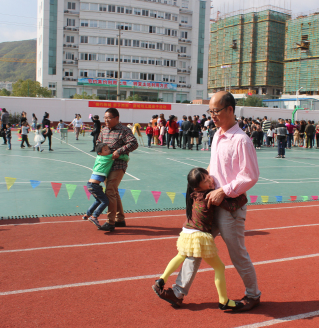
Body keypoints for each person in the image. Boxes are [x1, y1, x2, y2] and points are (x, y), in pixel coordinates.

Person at [157, 92, 261, 311]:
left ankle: (253, 295)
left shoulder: (241, 140)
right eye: (210, 111)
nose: (212, 116)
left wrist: (223, 190)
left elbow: (250, 176)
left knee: (237, 253)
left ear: (230, 110)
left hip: (230, 207)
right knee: (195, 248)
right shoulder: (217, 135)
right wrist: (203, 185)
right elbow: (214, 167)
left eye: (216, 111)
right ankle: (177, 292)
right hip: (210, 204)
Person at [152, 167, 246, 311]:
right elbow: (231, 206)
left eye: (208, 177)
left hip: (186, 232)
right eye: (206, 181)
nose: (210, 180)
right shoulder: (209, 195)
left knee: (180, 255)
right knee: (219, 267)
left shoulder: (193, 194)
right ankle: (224, 301)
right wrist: (243, 196)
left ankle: (161, 280)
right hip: (200, 236)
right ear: (197, 186)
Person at [96, 108, 138, 231]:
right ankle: (120, 219)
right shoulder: (103, 130)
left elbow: (134, 143)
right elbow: (98, 142)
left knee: (109, 191)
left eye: (109, 118)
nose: (106, 120)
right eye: (105, 118)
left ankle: (110, 222)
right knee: (113, 191)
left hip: (118, 166)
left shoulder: (124, 130)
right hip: (105, 166)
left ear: (117, 118)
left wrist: (119, 151)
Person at [82, 143, 130, 228]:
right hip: (94, 186)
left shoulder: (98, 157)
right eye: (106, 150)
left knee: (98, 201)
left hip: (90, 184)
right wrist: (123, 156)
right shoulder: (108, 157)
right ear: (99, 153)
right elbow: (125, 158)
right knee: (105, 201)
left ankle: (87, 214)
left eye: (108, 149)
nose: (109, 151)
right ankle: (94, 216)